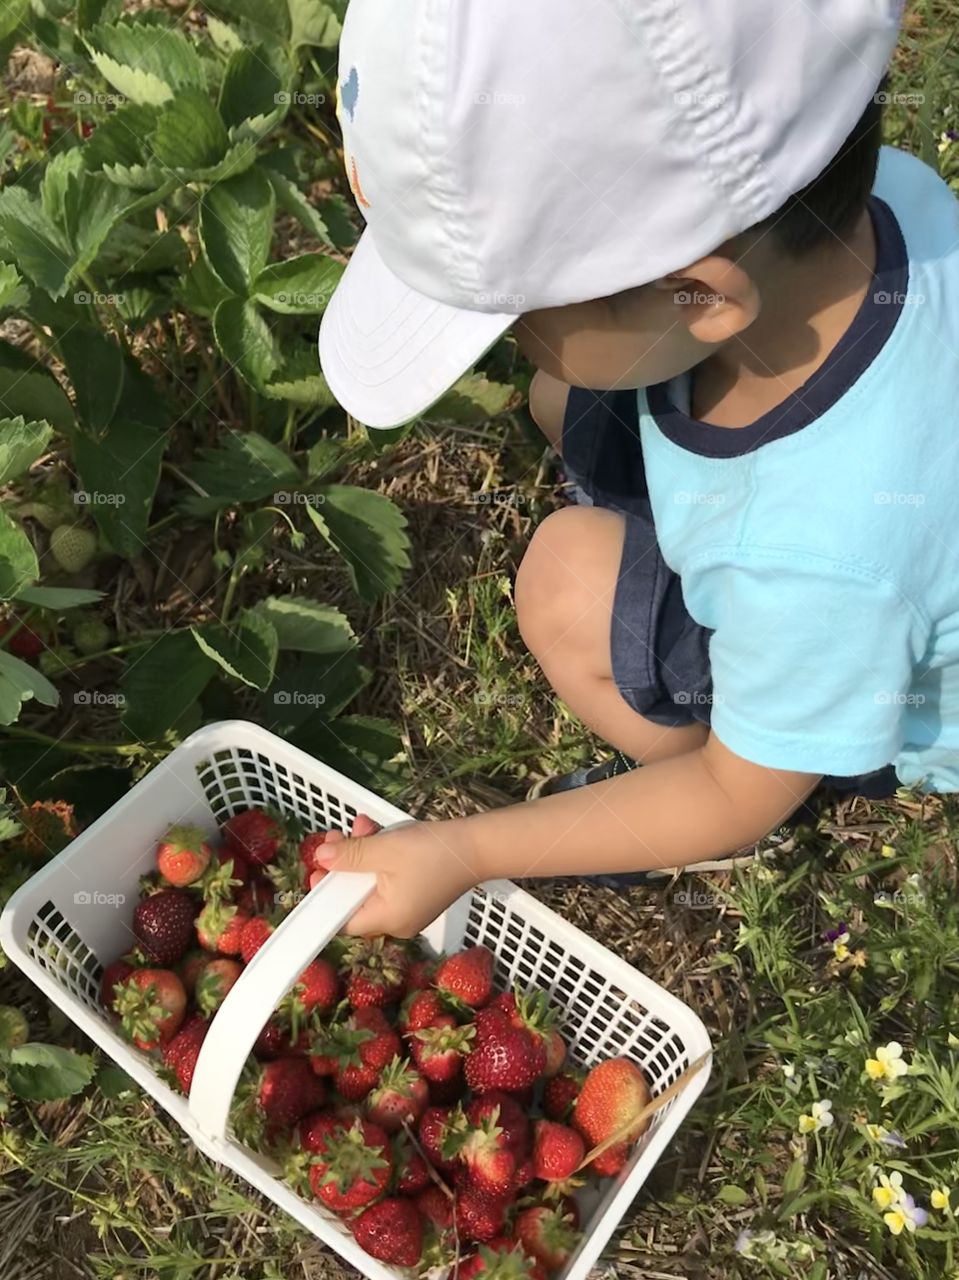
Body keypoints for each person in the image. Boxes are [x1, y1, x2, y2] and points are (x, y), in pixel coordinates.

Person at [314, 0, 958, 938]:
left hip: (849, 668)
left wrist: (466, 851)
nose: (511, 346)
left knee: (564, 581)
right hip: (834, 532)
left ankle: (782, 746)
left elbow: (732, 797)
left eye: (520, 315)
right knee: (557, 395)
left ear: (699, 294)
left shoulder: (821, 559)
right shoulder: (889, 199)